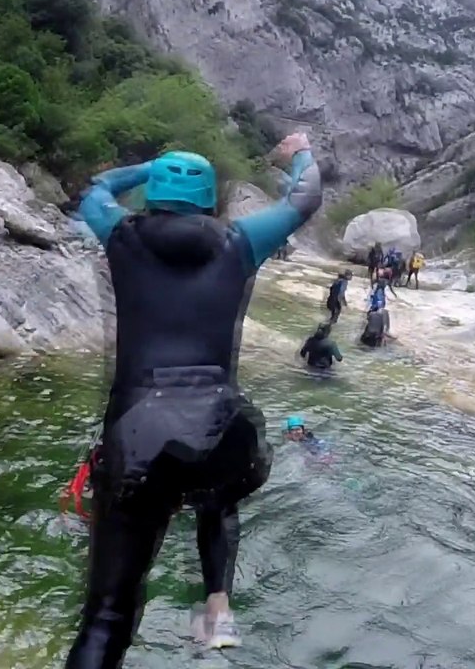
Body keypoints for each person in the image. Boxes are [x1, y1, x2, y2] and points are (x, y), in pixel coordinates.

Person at [69, 132, 323, 667]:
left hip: (138, 435)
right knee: (218, 491)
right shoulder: (241, 240)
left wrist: (142, 169)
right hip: (224, 428)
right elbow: (305, 198)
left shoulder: (119, 232)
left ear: (154, 193)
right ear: (209, 198)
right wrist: (298, 151)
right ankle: (216, 608)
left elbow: (96, 189)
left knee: (109, 617)